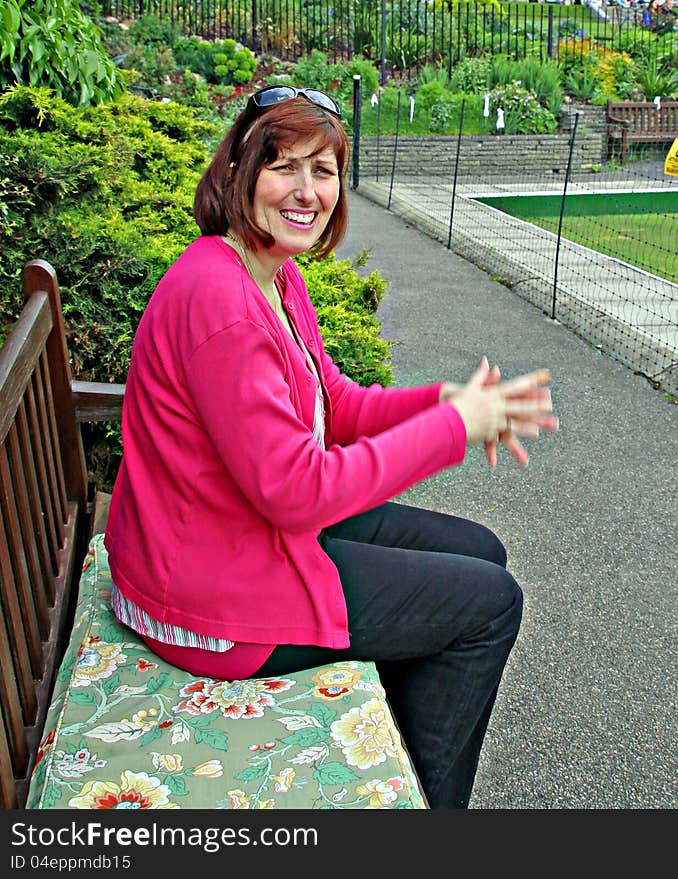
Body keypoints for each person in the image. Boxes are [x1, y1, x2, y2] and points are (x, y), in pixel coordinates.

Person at [104, 85, 558, 810]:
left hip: (242, 535)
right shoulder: (221, 303)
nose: (306, 190)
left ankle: (396, 761)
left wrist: (442, 402)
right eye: (283, 166)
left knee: (483, 552)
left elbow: (335, 405)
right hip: (206, 596)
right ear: (238, 172)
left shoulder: (272, 275)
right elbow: (297, 489)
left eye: (324, 170)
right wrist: (453, 430)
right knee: (491, 603)